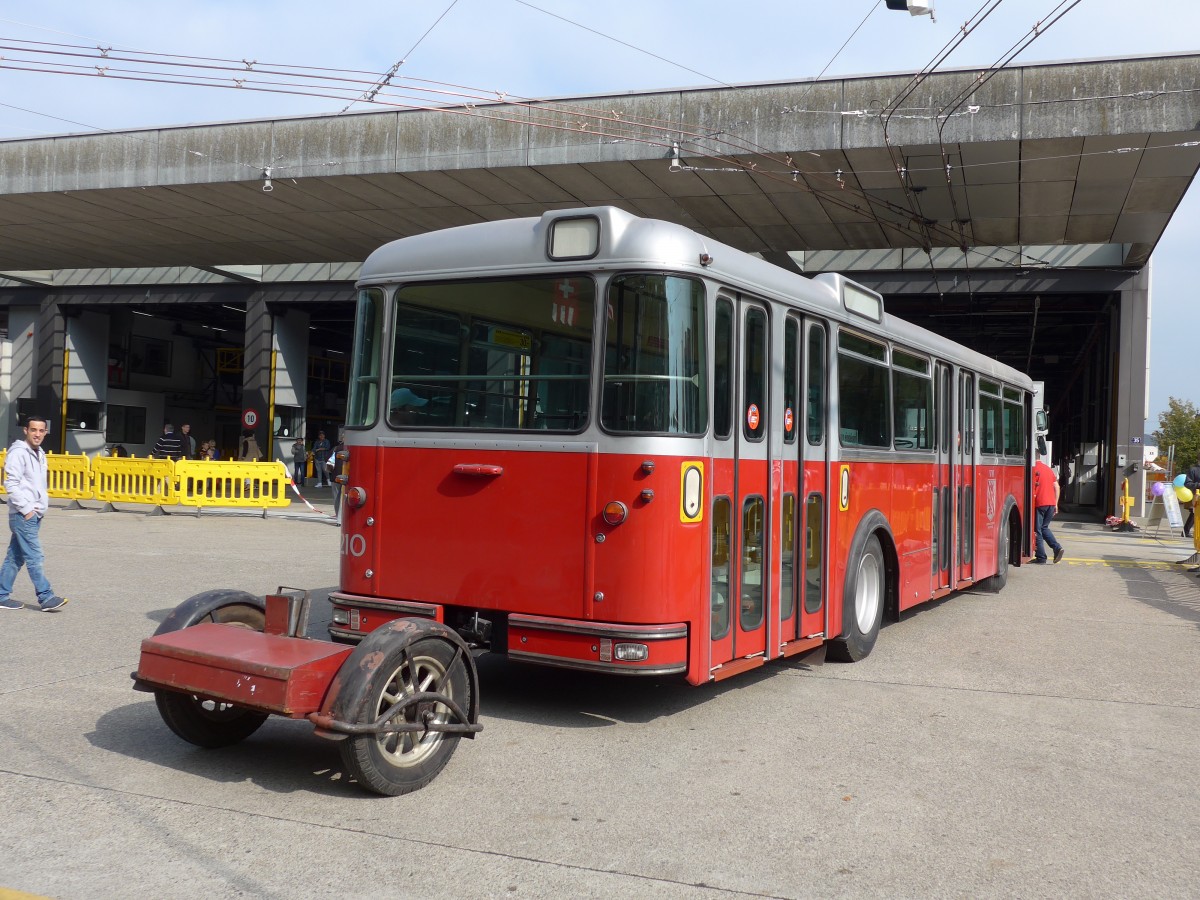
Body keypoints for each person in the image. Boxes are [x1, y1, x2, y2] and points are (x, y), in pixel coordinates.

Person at [0, 416, 68, 612]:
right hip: (24, 515)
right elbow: (10, 483)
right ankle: (45, 596)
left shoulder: (39, 453)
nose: (37, 434)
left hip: (34, 513)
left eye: (41, 430)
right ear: (26, 431)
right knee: (34, 556)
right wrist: (27, 509)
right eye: (33, 430)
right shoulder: (18, 453)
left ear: (45, 432)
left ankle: (1, 595)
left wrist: (38, 509)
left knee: (15, 557)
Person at [1032, 456, 1065, 565]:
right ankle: (1057, 548)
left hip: (1039, 503)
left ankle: (1041, 557)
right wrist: (1055, 503)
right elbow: (1056, 486)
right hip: (1050, 503)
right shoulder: (1048, 469)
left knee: (1037, 531)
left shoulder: (1033, 469)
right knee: (1044, 528)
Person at [1182, 456, 1200, 538]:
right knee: (1194, 514)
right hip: (1196, 496)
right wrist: (1198, 485)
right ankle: (1186, 531)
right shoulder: (1193, 470)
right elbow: (1187, 484)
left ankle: (1186, 531)